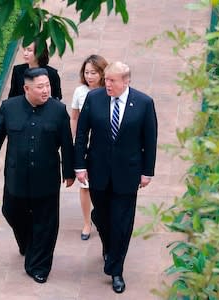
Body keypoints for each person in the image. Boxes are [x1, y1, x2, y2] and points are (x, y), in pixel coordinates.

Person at [0, 68, 75, 284]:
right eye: (40, 87)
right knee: (11, 211)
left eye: (48, 86)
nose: (45, 90)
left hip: (47, 179)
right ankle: (27, 243)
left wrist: (69, 172)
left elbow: (67, 146)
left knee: (46, 223)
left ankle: (39, 266)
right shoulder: (9, 107)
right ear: (26, 88)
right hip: (16, 177)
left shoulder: (58, 110)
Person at [74, 61, 158, 293]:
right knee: (102, 217)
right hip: (98, 171)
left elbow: (150, 141)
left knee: (122, 224)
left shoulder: (143, 103)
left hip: (127, 175)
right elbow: (82, 134)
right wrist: (79, 166)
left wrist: (147, 171)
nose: (107, 84)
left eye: (112, 80)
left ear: (126, 81)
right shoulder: (94, 98)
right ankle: (108, 244)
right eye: (106, 79)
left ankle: (116, 269)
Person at [70, 54, 108, 240]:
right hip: (84, 145)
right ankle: (87, 222)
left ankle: (102, 218)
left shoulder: (110, 90)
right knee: (85, 185)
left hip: (103, 146)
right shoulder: (80, 92)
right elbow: (74, 117)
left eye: (94, 72)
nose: (90, 76)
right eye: (87, 72)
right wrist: (75, 139)